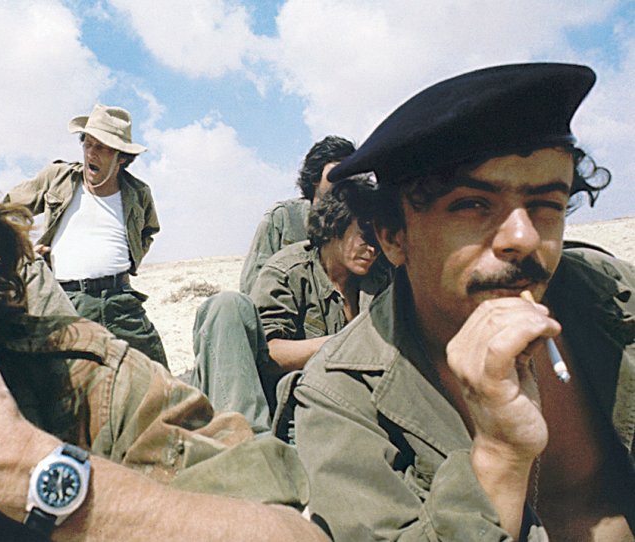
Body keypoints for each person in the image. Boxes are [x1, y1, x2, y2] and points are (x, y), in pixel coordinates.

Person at [0, 82, 330, 542]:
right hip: (73, 291)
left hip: (119, 300)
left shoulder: (86, 381)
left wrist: (23, 470)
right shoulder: (59, 181)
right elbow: (18, 203)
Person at [276, 62, 634, 541]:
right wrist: (499, 456)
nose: (524, 237)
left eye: (546, 204)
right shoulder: (342, 394)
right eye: (472, 205)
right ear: (393, 236)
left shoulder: (617, 299)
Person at [192, 180, 390, 433]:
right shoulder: (288, 271)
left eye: (379, 238)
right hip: (286, 408)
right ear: (335, 227)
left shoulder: (381, 277)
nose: (373, 249)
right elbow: (268, 353)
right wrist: (347, 342)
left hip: (344, 408)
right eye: (366, 236)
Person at [5, 103, 167, 367]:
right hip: (68, 303)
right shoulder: (58, 178)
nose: (91, 152)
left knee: (157, 378)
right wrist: (21, 247)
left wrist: (127, 259)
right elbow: (8, 209)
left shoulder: (138, 193)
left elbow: (148, 231)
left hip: (121, 302)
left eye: (101, 147)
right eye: (87, 143)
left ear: (122, 157)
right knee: (69, 381)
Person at [239, 136, 355, 294]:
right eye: (338, 170)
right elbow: (253, 283)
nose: (345, 178)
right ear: (315, 176)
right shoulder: (283, 218)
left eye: (350, 172)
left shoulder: (357, 223)